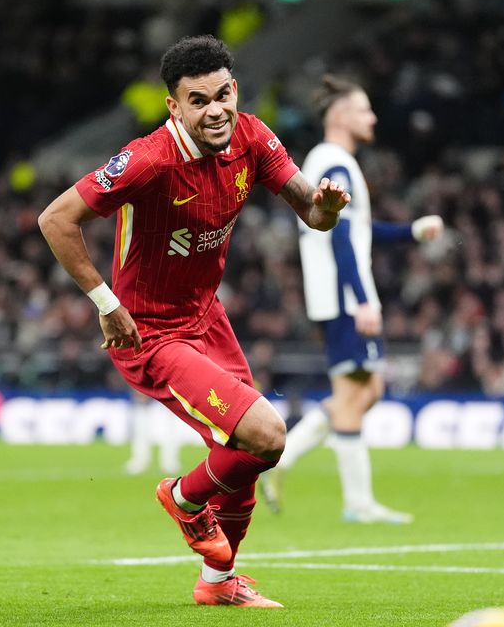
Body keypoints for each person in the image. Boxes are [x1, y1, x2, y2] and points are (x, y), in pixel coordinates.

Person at [37, 35, 350, 608]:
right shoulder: (148, 159)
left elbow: (311, 210)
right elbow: (56, 219)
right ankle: (182, 497)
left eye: (224, 94)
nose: (216, 110)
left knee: (248, 458)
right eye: (199, 100)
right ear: (173, 107)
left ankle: (217, 584)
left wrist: (325, 209)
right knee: (266, 434)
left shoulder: (252, 137)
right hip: (150, 331)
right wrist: (108, 304)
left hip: (207, 319)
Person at [259, 75, 443, 523]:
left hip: (339, 295)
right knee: (352, 395)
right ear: (340, 116)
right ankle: (356, 502)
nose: (373, 117)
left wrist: (410, 232)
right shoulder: (335, 163)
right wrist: (362, 299)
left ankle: (284, 462)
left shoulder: (332, 162)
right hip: (344, 298)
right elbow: (340, 234)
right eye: (364, 109)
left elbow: (357, 227)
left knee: (367, 392)